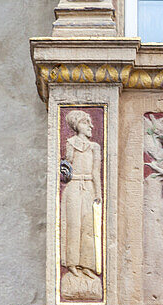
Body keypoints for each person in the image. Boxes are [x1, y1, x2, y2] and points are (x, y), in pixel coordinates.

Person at [60, 110, 102, 282]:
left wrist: (98, 193)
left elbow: (95, 172)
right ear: (77, 125)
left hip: (89, 187)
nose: (91, 126)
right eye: (86, 123)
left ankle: (87, 265)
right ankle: (71, 263)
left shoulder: (95, 147)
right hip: (73, 187)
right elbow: (66, 168)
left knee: (88, 226)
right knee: (73, 224)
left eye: (90, 122)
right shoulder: (70, 144)